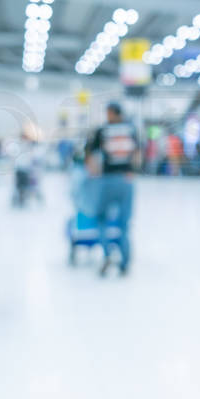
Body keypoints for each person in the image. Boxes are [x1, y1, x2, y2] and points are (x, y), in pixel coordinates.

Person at [85, 102, 140, 277]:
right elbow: (138, 154)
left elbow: (88, 152)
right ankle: (125, 262)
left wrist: (94, 171)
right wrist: (133, 171)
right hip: (126, 180)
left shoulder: (103, 130)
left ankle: (108, 254)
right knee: (124, 223)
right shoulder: (131, 130)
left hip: (107, 179)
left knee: (101, 219)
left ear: (111, 113)